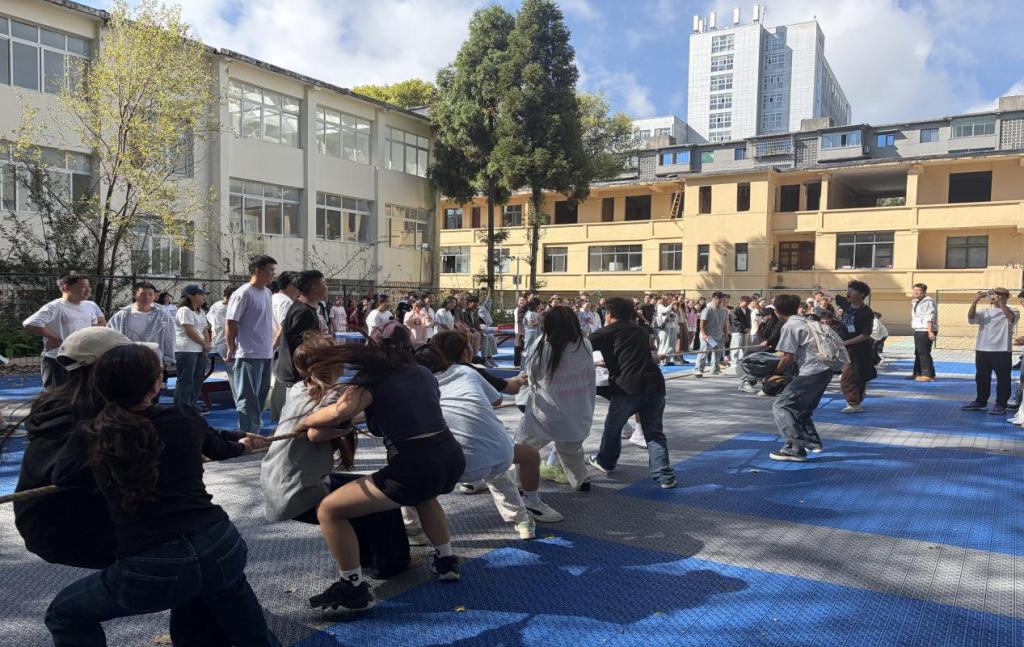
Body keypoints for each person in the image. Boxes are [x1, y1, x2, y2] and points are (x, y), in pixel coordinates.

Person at [6, 328, 237, 647]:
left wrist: (228, 439)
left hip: (59, 528)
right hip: (82, 532)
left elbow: (179, 431)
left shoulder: (64, 405)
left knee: (200, 560)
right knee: (200, 556)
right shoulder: (97, 421)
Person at [45, 344, 277, 646]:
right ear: (156, 385)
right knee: (236, 607)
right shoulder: (184, 416)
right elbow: (221, 448)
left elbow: (62, 478)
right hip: (220, 542)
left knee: (64, 614)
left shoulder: (92, 434)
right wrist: (243, 444)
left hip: (153, 565)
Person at [299, 321, 465, 611]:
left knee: (329, 510)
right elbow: (405, 408)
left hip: (413, 465)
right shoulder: (423, 372)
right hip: (450, 456)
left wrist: (304, 421)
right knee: (424, 496)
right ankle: (446, 560)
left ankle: (352, 588)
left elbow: (339, 412)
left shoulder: (372, 379)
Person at [415, 344, 561, 539]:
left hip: (455, 466)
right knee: (506, 464)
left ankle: (413, 529)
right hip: (500, 455)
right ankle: (525, 516)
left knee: (410, 478)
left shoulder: (417, 387)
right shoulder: (465, 371)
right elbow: (497, 399)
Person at [588, 298, 677, 488]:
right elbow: (634, 355)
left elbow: (581, 348)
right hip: (654, 384)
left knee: (613, 427)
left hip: (627, 387)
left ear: (609, 314)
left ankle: (606, 461)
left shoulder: (604, 333)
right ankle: (664, 476)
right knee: (654, 432)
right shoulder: (640, 331)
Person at [515, 306, 596, 492]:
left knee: (523, 446)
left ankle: (518, 483)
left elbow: (532, 376)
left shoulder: (542, 346)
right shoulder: (585, 344)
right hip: (579, 411)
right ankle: (581, 480)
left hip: (546, 413)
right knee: (571, 449)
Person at [767, 295, 837, 462]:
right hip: (825, 369)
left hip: (811, 372)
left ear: (777, 311)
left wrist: (772, 372)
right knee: (802, 408)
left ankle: (794, 449)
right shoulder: (807, 321)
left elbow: (788, 357)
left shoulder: (790, 326)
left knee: (781, 406)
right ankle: (812, 442)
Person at [23, 272, 105, 388]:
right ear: (67, 288)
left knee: (83, 395)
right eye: (83, 286)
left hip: (83, 360)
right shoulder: (55, 306)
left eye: (89, 286)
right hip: (58, 360)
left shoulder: (90, 305)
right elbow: (30, 323)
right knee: (56, 396)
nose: (88, 290)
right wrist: (55, 338)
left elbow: (101, 323)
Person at [226, 255, 277, 435]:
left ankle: (254, 431)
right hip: (248, 354)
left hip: (266, 353)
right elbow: (231, 322)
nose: (273, 274)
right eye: (270, 270)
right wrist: (231, 348)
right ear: (258, 271)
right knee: (248, 399)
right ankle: (248, 435)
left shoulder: (267, 293)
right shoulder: (243, 293)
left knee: (261, 397)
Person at [273, 270, 328, 406]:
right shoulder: (304, 312)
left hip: (296, 375)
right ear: (314, 288)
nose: (327, 287)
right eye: (324, 284)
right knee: (298, 414)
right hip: (298, 378)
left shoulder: (302, 307)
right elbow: (299, 347)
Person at [820, 282, 876, 413]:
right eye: (848, 290)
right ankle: (857, 399)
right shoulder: (846, 303)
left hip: (858, 349)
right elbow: (834, 296)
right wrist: (821, 289)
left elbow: (865, 335)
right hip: (845, 347)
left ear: (861, 294)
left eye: (852, 291)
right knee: (854, 376)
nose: (848, 293)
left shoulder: (866, 313)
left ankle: (854, 404)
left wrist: (846, 342)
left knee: (848, 377)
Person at [962, 288, 1018, 415]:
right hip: (982, 349)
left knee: (1003, 379)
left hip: (1002, 350)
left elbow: (1011, 317)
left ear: (1006, 297)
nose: (995, 297)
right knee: (982, 377)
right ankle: (981, 401)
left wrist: (1001, 303)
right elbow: (971, 317)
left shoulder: (1013, 309)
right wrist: (975, 301)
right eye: (993, 294)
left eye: (999, 295)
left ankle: (1001, 404)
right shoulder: (985, 311)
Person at [106, 281, 176, 372]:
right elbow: (110, 336)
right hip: (127, 360)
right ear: (134, 295)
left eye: (150, 294)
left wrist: (168, 359)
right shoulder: (122, 316)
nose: (147, 297)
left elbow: (169, 338)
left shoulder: (162, 316)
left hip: (154, 360)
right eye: (143, 294)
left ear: (155, 296)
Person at [173, 285, 211, 414]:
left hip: (199, 350)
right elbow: (189, 331)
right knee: (186, 380)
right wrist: (204, 343)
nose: (204, 297)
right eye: (200, 294)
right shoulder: (184, 310)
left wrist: (206, 344)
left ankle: (191, 404)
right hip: (186, 350)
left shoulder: (201, 312)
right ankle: (181, 408)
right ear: (190, 296)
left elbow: (204, 329)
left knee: (197, 379)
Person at [207, 285, 237, 395]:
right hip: (225, 342)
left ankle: (238, 396)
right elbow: (228, 326)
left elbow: (210, 319)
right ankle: (238, 397)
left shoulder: (216, 306)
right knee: (234, 371)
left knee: (235, 371)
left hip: (225, 341)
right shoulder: (221, 308)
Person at [694, 292, 727, 377]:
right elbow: (702, 323)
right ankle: (698, 369)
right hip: (707, 335)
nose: (718, 300)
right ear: (713, 299)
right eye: (716, 298)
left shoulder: (724, 310)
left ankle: (715, 369)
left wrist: (725, 334)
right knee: (704, 351)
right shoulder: (707, 309)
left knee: (717, 353)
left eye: (720, 299)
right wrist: (704, 334)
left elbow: (724, 324)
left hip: (718, 335)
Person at [910, 283, 938, 382]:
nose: (916, 292)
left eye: (918, 290)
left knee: (924, 352)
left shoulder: (928, 302)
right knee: (918, 352)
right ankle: (917, 373)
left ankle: (928, 375)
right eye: (914, 290)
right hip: (919, 329)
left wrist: (930, 332)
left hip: (925, 330)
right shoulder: (916, 301)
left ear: (924, 292)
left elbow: (930, 317)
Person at [654, 294, 680, 366]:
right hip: (665, 328)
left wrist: (673, 317)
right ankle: (661, 360)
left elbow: (676, 317)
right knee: (664, 344)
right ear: (665, 299)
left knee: (672, 344)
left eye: (671, 299)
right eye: (669, 299)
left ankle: (668, 360)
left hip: (673, 327)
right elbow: (665, 311)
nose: (671, 300)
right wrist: (671, 305)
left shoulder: (671, 307)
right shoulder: (660, 306)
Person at [729, 296, 753, 364]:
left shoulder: (748, 310)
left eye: (749, 303)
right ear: (740, 301)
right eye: (746, 302)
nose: (747, 304)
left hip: (745, 332)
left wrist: (749, 328)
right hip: (737, 331)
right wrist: (744, 328)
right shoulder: (734, 310)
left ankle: (743, 361)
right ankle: (734, 362)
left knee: (745, 348)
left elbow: (749, 321)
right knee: (735, 347)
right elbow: (735, 321)